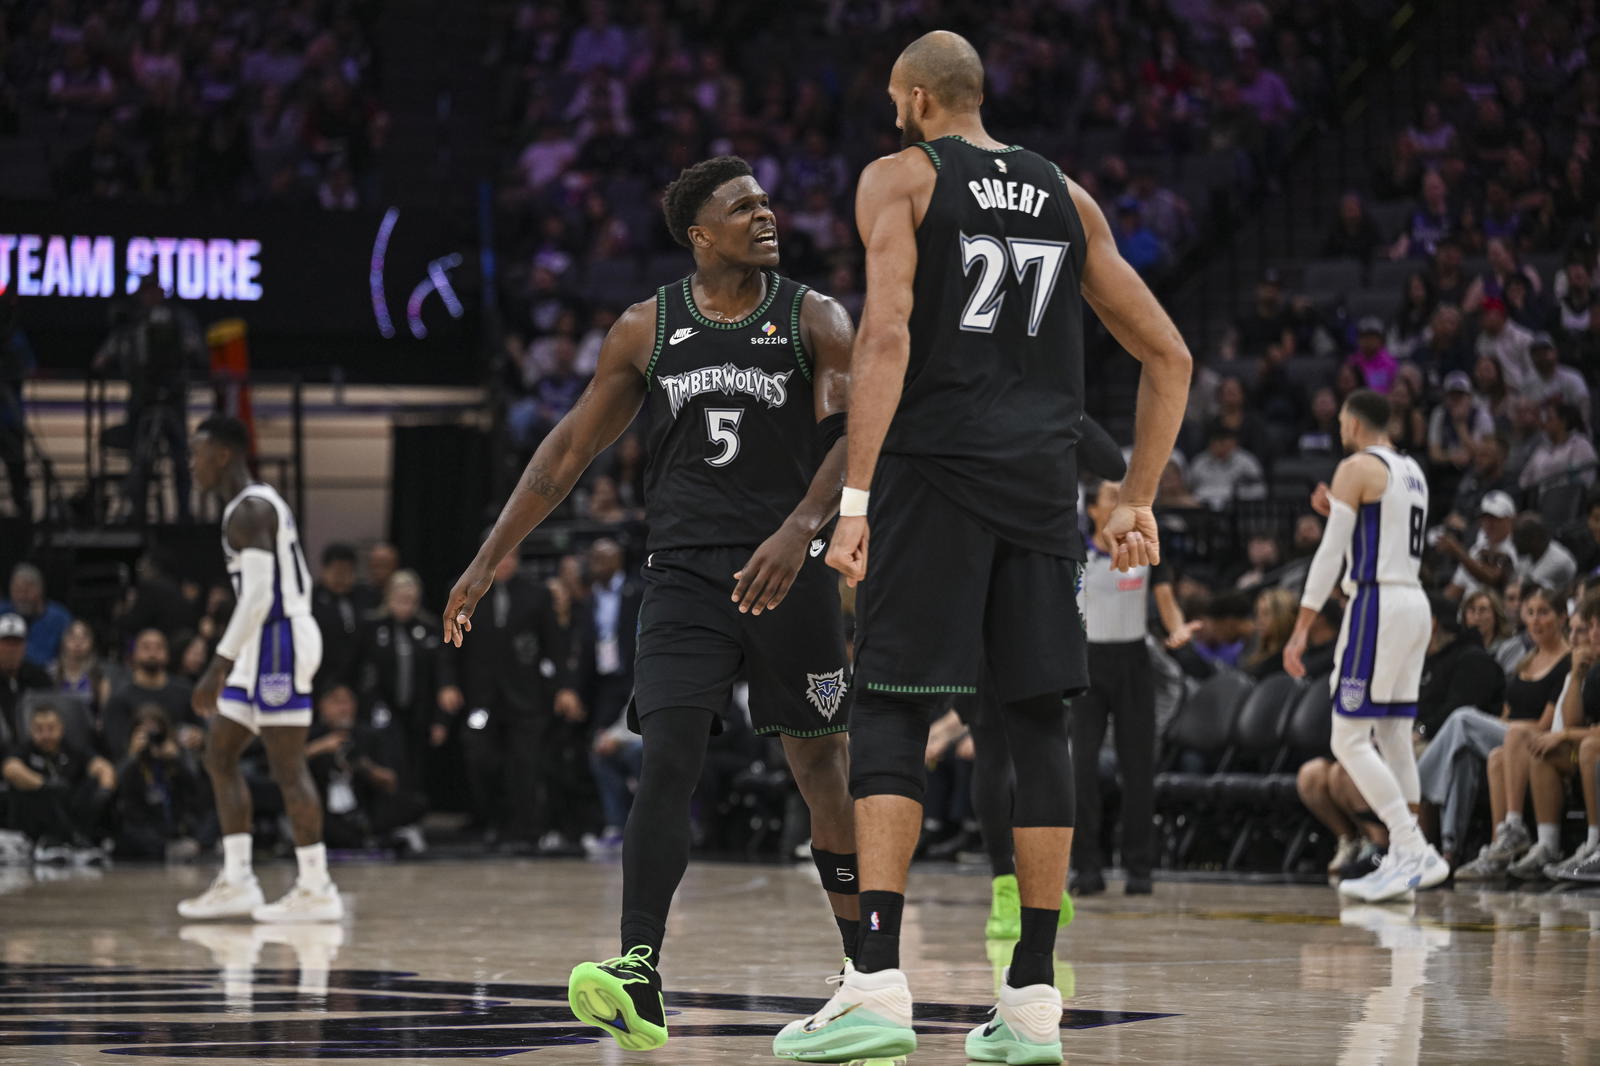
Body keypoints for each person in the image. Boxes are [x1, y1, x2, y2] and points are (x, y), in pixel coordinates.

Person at [773, 32, 1191, 1066]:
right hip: (1042, 491)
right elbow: (1168, 353)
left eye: (892, 102)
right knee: (1040, 723)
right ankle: (1033, 997)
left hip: (933, 474)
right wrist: (1133, 494)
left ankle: (874, 982)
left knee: (888, 711)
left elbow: (886, 332)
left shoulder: (901, 178)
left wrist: (855, 496)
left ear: (917, 100)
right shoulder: (1066, 195)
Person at [442, 154, 860, 1053]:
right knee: (665, 752)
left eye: (764, 201)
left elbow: (852, 437)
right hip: (683, 575)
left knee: (821, 768)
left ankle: (865, 971)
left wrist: (798, 531)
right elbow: (563, 458)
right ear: (698, 234)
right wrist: (488, 560)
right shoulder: (647, 328)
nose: (765, 214)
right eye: (741, 206)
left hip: (792, 568)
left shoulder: (814, 316)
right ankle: (639, 967)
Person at [1285, 389, 1449, 903]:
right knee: (1395, 736)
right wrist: (1337, 507)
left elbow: (1332, 553)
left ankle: (1410, 843)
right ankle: (1406, 858)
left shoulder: (1356, 466)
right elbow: (1381, 531)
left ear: (1355, 424)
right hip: (1414, 603)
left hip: (1377, 605)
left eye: (1340, 422)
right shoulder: (1412, 469)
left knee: (1348, 738)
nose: (1338, 430)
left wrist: (1300, 627)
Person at [177, 416, 340, 923]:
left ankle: (316, 888)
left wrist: (216, 665)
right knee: (219, 752)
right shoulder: (251, 504)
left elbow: (260, 595)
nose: (192, 464)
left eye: (197, 453)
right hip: (261, 642)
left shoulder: (248, 509)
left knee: (287, 766)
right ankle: (239, 879)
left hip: (279, 640)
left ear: (222, 454)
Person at [1069, 476, 1192, 897]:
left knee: (1138, 769)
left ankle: (1140, 868)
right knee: (1080, 769)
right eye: (1111, 496)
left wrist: (1176, 630)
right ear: (1094, 511)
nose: (1120, 500)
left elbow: (1166, 600)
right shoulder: (1078, 555)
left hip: (1133, 663)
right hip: (1087, 665)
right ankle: (1087, 869)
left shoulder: (1145, 550)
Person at [441, 548, 577, 850]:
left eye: (511, 556)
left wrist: (564, 688)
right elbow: (448, 640)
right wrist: (447, 683)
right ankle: (494, 821)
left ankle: (526, 830)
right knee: (480, 757)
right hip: (481, 699)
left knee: (525, 763)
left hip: (525, 698)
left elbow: (554, 643)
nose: (505, 563)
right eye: (499, 556)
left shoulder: (536, 594)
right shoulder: (464, 588)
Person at [1443, 585, 1570, 879]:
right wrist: (1507, 728)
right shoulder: (1526, 660)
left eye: (1544, 613)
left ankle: (1514, 826)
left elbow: (1545, 726)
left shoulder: (1566, 662)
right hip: (1511, 742)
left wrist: (1509, 729)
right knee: (1495, 757)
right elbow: (1506, 714)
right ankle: (1494, 848)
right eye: (1530, 613)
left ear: (1562, 618)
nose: (1536, 621)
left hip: (1541, 741)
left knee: (1464, 719)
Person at [2, 702, 114, 861]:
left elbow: (102, 766)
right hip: (38, 813)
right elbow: (10, 768)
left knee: (91, 788)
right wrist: (43, 783)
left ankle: (83, 841)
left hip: (71, 810)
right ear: (31, 730)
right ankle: (50, 844)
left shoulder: (72, 750)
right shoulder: (25, 750)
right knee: (32, 794)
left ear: (61, 728)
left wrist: (105, 789)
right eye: (39, 729)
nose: (46, 734)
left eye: (50, 728)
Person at [112, 705, 211, 860]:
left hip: (173, 822)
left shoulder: (174, 757)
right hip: (142, 825)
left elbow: (195, 789)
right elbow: (116, 786)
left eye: (156, 730)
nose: (152, 737)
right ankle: (167, 850)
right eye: (146, 732)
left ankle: (201, 845)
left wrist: (177, 759)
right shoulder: (131, 760)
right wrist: (132, 756)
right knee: (129, 835)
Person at [101, 629, 195, 759]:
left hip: (178, 764)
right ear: (133, 654)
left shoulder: (184, 692)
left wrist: (197, 737)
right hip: (135, 766)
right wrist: (133, 751)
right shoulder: (119, 697)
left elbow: (202, 730)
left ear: (167, 654)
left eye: (159, 647)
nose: (152, 652)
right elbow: (115, 745)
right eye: (146, 647)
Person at [1441, 490, 1520, 600]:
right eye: (1485, 518)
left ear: (1510, 519)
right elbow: (1455, 589)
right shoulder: (1477, 547)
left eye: (1495, 518)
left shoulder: (1514, 549)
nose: (1489, 524)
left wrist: (1457, 552)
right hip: (1468, 612)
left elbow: (1491, 579)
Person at [311, 543, 363, 693]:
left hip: (354, 678)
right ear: (324, 570)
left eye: (347, 572)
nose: (342, 578)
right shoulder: (310, 600)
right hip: (320, 675)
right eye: (337, 572)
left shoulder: (365, 596)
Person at [0, 564, 71, 668]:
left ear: (40, 589)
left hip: (48, 676)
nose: (21, 597)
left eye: (26, 591)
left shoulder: (60, 618)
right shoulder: (2, 612)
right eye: (17, 591)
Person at [0, 613, 50, 741]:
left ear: (24, 646)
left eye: (16, 643)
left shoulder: (39, 677)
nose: (11, 649)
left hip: (35, 744)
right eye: (6, 643)